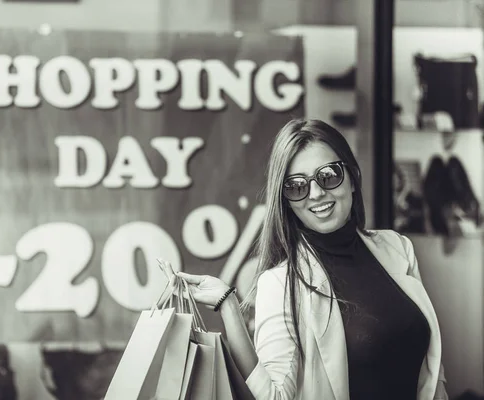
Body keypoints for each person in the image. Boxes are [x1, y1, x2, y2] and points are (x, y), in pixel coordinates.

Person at [159, 118, 448, 400]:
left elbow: (430, 370)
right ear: (286, 201)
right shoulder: (280, 283)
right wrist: (228, 305)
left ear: (353, 178)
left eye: (329, 175)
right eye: (297, 186)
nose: (317, 193)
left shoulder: (396, 248)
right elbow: (274, 396)